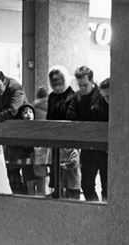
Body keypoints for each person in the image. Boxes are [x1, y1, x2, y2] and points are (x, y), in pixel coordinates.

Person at [68, 66, 108, 202]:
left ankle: (106, 213)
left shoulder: (102, 95)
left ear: (92, 81)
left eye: (85, 85)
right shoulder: (77, 96)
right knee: (86, 185)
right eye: (80, 85)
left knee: (107, 186)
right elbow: (71, 115)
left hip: (104, 148)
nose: (83, 88)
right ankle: (97, 208)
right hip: (88, 148)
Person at [47, 66, 81, 199]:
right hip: (55, 139)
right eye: (54, 85)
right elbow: (49, 117)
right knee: (57, 171)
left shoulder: (72, 96)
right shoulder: (52, 97)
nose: (57, 88)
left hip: (68, 139)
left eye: (59, 85)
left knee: (70, 171)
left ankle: (71, 195)